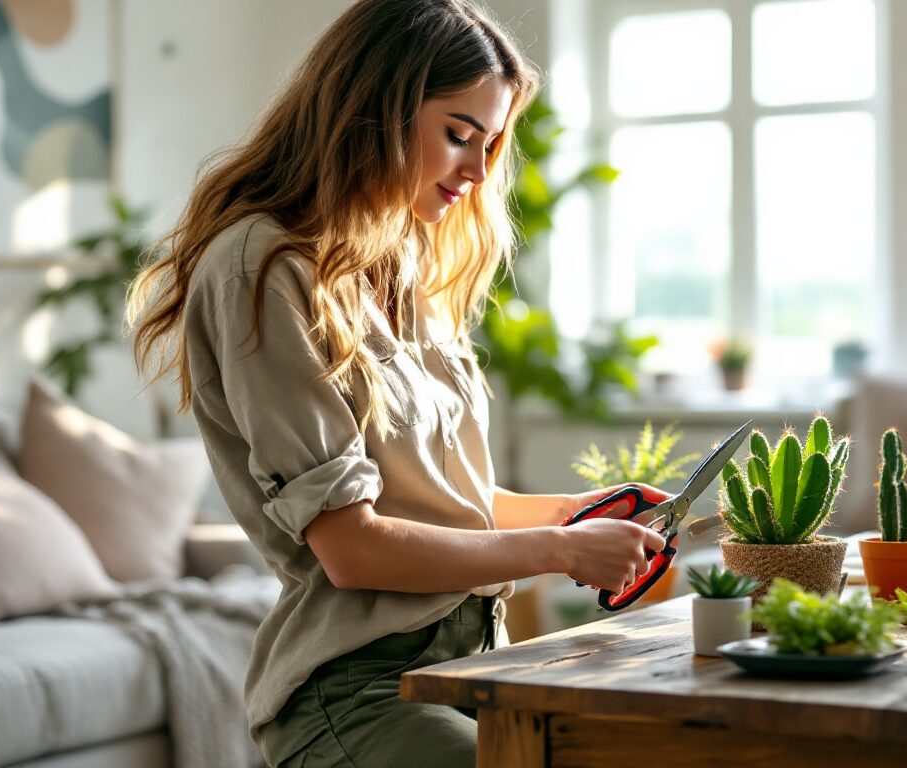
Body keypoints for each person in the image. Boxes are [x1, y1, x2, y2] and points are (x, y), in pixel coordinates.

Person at [125, 1, 669, 765]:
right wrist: (559, 552)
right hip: (359, 690)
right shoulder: (261, 266)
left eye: (491, 143)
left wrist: (578, 517)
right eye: (458, 134)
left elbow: (443, 503)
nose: (479, 171)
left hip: (479, 665)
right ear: (375, 109)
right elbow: (355, 547)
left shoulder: (399, 260)